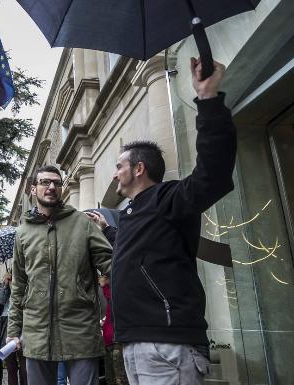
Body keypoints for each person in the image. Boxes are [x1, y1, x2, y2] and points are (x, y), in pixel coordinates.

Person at [109, 59, 235, 385]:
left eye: (120, 165)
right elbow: (137, 257)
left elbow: (213, 175)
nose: (115, 173)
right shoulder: (129, 215)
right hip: (135, 342)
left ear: (139, 169)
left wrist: (208, 99)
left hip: (168, 344)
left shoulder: (169, 199)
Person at [7, 165, 113, 385]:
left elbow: (111, 264)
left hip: (80, 329)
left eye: (57, 182)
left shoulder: (82, 222)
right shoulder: (23, 232)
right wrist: (13, 330)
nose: (52, 187)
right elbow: (18, 285)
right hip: (36, 332)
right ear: (33, 189)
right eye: (45, 182)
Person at [0, 273, 26, 385]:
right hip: (7, 326)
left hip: (23, 325)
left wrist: (14, 287)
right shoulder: (4, 288)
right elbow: (0, 300)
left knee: (25, 366)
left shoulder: (24, 288)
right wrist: (5, 285)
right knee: (11, 366)